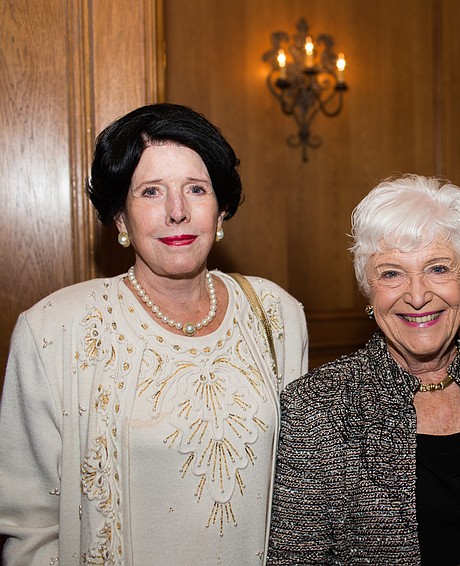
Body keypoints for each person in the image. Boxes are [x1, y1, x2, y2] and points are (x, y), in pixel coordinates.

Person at [0, 103, 308, 565]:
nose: (178, 212)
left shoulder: (277, 314)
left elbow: (300, 491)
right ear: (121, 218)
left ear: (221, 211)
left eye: (196, 190)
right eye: (151, 192)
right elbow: (30, 528)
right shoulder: (52, 331)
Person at [267, 174, 460, 565]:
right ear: (368, 291)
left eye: (438, 268)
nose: (418, 296)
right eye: (391, 273)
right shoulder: (318, 407)